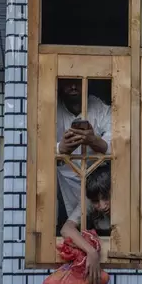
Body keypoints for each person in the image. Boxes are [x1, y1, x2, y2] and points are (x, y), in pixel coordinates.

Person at [56, 79, 111, 219]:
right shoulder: (52, 109)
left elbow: (116, 142)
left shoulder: (99, 107)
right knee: (68, 222)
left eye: (78, 82)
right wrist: (59, 148)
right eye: (69, 82)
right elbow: (38, 144)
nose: (73, 86)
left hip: (97, 179)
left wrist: (93, 140)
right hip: (64, 180)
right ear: (60, 85)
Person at [59, 164, 111, 284]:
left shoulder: (126, 199)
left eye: (106, 198)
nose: (102, 206)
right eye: (96, 201)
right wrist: (91, 251)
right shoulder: (89, 200)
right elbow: (66, 229)